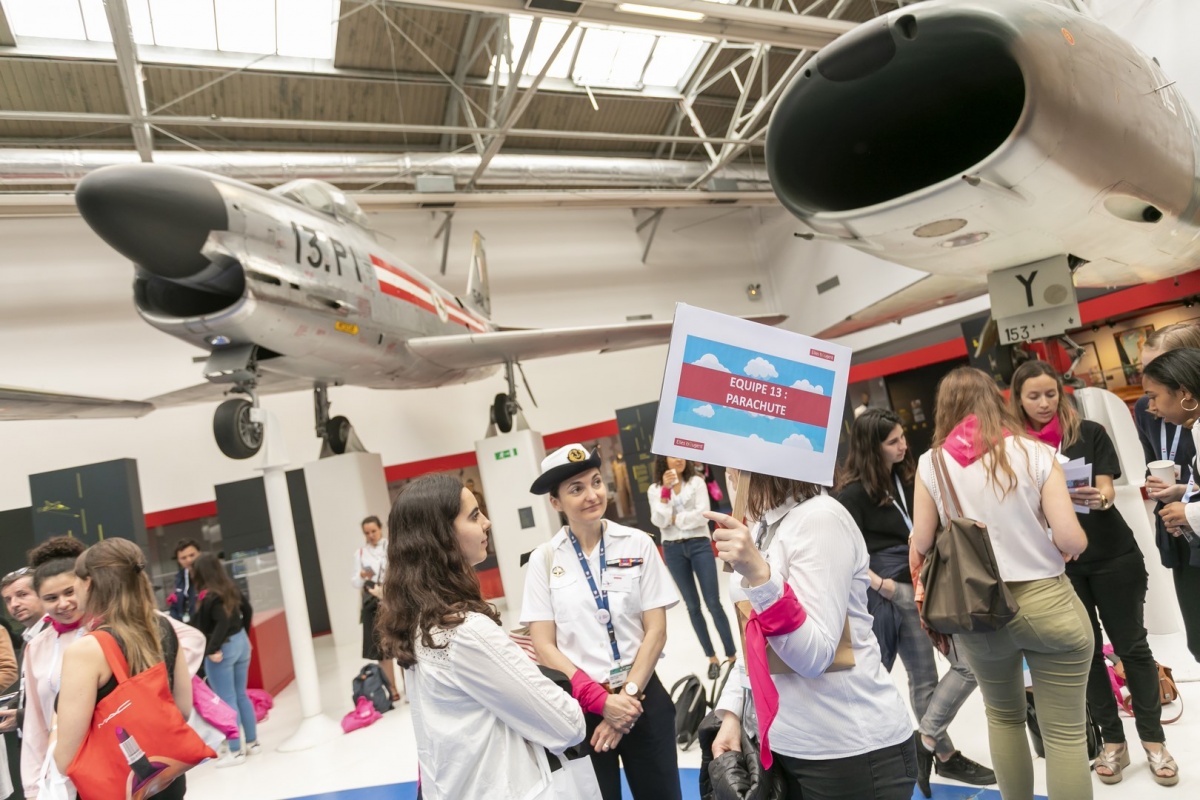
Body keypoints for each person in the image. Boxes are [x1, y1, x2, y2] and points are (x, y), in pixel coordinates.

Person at [909, 367, 1091, 800]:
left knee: (1004, 718)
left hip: (979, 610)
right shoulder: (1034, 452)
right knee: (1065, 735)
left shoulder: (932, 464)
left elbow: (922, 541)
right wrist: (1066, 545)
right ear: (997, 399)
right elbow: (1070, 539)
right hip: (1048, 600)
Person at [1011, 360, 1174, 786]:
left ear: (1061, 393)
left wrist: (1097, 498)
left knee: (1132, 646)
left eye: (1050, 394)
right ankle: (1112, 742)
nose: (1044, 403)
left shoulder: (1088, 433)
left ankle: (1154, 741)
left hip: (1113, 554)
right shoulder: (1015, 449)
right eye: (1034, 396)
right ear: (1018, 400)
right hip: (1057, 565)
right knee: (1085, 654)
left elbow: (1106, 489)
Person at [708, 465, 915, 799]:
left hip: (849, 754)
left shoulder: (821, 520)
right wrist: (734, 713)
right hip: (786, 745)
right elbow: (753, 637)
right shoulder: (763, 525)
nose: (726, 468)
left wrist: (761, 577)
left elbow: (815, 657)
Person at [376, 475, 586, 800]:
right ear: (441, 536)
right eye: (474, 516)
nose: (487, 523)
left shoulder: (419, 623)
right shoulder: (466, 632)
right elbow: (567, 724)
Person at [835, 409, 993, 795]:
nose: (903, 445)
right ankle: (945, 755)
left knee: (968, 665)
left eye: (903, 437)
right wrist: (885, 586)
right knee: (924, 677)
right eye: (893, 441)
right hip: (897, 594)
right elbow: (844, 553)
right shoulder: (852, 494)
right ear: (872, 447)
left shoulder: (909, 476)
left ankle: (926, 740)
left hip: (933, 583)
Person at [522, 444, 681, 800]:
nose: (592, 495)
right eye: (576, 489)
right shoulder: (543, 560)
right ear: (556, 502)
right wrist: (600, 702)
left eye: (596, 482)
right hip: (581, 712)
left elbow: (656, 631)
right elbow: (543, 645)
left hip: (641, 696)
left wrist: (625, 701)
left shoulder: (637, 544)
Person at [54, 539, 194, 800]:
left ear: (88, 583)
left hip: (116, 786)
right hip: (167, 781)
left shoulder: (87, 650)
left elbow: (66, 759)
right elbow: (183, 709)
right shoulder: (162, 627)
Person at [1135, 323, 1200, 664]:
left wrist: (1188, 498)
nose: (1150, 381)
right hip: (1180, 530)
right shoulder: (1145, 411)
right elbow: (1151, 461)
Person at [647, 456, 736, 679]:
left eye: (680, 455)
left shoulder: (696, 482)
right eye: (672, 455)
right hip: (673, 550)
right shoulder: (655, 490)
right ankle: (712, 658)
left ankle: (732, 656)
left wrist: (674, 519)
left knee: (713, 602)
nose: (678, 459)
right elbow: (658, 521)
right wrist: (665, 493)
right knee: (692, 607)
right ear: (663, 460)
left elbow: (702, 516)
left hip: (699, 545)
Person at [21, 536, 88, 798]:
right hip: (65, 775)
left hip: (118, 766)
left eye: (69, 592)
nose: (62, 604)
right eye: (51, 597)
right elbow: (35, 724)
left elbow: (189, 638)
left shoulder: (110, 628)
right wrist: (33, 787)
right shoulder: (37, 646)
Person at [190, 554, 259, 767]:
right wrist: (244, 634)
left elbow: (221, 622)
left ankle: (236, 750)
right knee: (241, 695)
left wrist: (212, 648)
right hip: (241, 643)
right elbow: (247, 610)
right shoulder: (230, 588)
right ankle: (252, 742)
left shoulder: (209, 596)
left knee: (226, 699)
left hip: (223, 650)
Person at [1, 567, 45, 800]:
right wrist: (16, 710)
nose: (14, 604)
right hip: (33, 744)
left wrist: (20, 715)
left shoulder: (57, 635)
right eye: (8, 599)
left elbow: (57, 697)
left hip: (58, 747)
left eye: (22, 595)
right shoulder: (30, 638)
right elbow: (29, 688)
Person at [351, 515, 402, 703]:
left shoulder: (391, 547)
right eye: (367, 533)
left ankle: (410, 687)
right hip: (373, 602)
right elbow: (355, 582)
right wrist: (361, 575)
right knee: (382, 649)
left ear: (380, 528)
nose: (371, 535)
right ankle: (392, 688)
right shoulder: (360, 554)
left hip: (393, 597)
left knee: (401, 644)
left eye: (373, 531)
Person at [166, 539, 201, 624]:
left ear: (200, 554)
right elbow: (175, 606)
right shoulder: (179, 578)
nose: (189, 560)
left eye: (192, 555)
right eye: (183, 558)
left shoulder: (210, 575)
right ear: (178, 560)